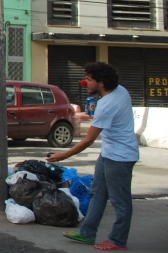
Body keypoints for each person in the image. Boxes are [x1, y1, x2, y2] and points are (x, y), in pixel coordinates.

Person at [48, 62, 139, 252]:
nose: (85, 83)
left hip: (120, 159)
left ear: (102, 83)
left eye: (89, 80)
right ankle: (87, 233)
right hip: (108, 155)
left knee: (121, 203)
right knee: (97, 194)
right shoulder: (120, 90)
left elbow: (88, 140)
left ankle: (118, 240)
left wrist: (63, 155)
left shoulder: (106, 105)